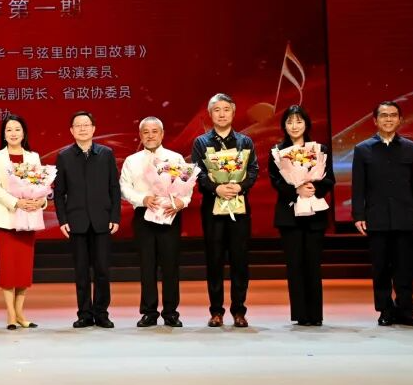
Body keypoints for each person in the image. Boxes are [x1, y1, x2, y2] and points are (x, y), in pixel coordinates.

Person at [352, 101, 413, 327]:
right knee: (381, 267)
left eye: (393, 115)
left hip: (405, 215)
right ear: (375, 121)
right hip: (376, 217)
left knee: (405, 267)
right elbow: (358, 187)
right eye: (384, 115)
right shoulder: (363, 149)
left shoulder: (410, 148)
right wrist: (358, 215)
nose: (388, 119)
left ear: (400, 120)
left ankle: (406, 310)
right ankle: (385, 310)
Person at [191, 93, 259, 328]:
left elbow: (253, 171)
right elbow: (197, 173)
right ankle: (216, 311)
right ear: (210, 114)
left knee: (240, 260)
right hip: (212, 208)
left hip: (239, 208)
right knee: (214, 260)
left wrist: (239, 187)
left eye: (226, 109)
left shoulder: (245, 142)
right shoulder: (201, 142)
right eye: (217, 110)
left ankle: (239, 310)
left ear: (233, 112)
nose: (222, 114)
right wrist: (216, 188)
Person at [119, 116, 192, 328]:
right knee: (147, 266)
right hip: (144, 215)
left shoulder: (176, 158)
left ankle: (171, 312)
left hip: (170, 214)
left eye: (154, 131)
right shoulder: (132, 160)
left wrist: (182, 202)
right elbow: (124, 188)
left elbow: (187, 186)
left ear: (162, 134)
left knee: (170, 266)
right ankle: (149, 312)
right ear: (140, 135)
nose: (150, 136)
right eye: (146, 132)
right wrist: (143, 199)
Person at [267, 105, 335, 327]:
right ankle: (300, 313)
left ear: (306, 124)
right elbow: (276, 181)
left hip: (315, 214)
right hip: (289, 215)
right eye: (289, 122)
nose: (294, 126)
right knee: (294, 265)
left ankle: (315, 314)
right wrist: (296, 189)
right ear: (284, 126)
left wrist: (314, 188)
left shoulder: (320, 149)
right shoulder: (277, 151)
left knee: (313, 264)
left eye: (298, 121)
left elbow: (330, 179)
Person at [54, 111, 121, 329]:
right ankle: (84, 313)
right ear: (71, 131)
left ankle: (101, 313)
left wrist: (115, 216)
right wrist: (62, 219)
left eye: (86, 125)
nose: (82, 129)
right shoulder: (64, 156)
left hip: (102, 220)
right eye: (78, 125)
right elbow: (59, 192)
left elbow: (114, 187)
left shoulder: (106, 154)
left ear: (93, 129)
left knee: (102, 270)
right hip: (76, 221)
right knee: (81, 271)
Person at [0, 114, 45, 330]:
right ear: (3, 134)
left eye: (17, 129)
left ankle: (20, 313)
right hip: (7, 217)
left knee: (23, 268)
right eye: (9, 129)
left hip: (28, 217)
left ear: (24, 133)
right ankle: (10, 314)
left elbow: (40, 184)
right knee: (8, 268)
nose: (13, 133)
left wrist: (39, 201)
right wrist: (16, 202)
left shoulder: (33, 157)